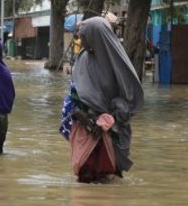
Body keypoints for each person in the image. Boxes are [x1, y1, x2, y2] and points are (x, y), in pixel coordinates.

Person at [59, 17, 143, 183]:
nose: (80, 40)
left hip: (111, 129)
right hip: (85, 124)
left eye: (83, 36)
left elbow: (128, 98)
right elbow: (75, 93)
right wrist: (81, 114)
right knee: (85, 175)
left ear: (94, 37)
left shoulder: (118, 63)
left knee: (107, 176)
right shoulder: (82, 59)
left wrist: (108, 120)